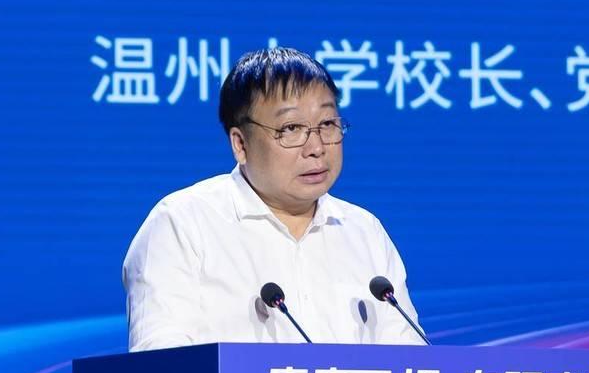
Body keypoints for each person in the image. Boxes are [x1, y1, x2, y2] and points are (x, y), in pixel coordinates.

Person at [122, 46, 426, 351]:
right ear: (240, 144)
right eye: (291, 128)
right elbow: (160, 363)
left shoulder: (364, 231)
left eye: (327, 124)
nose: (316, 148)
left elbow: (412, 361)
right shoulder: (183, 224)